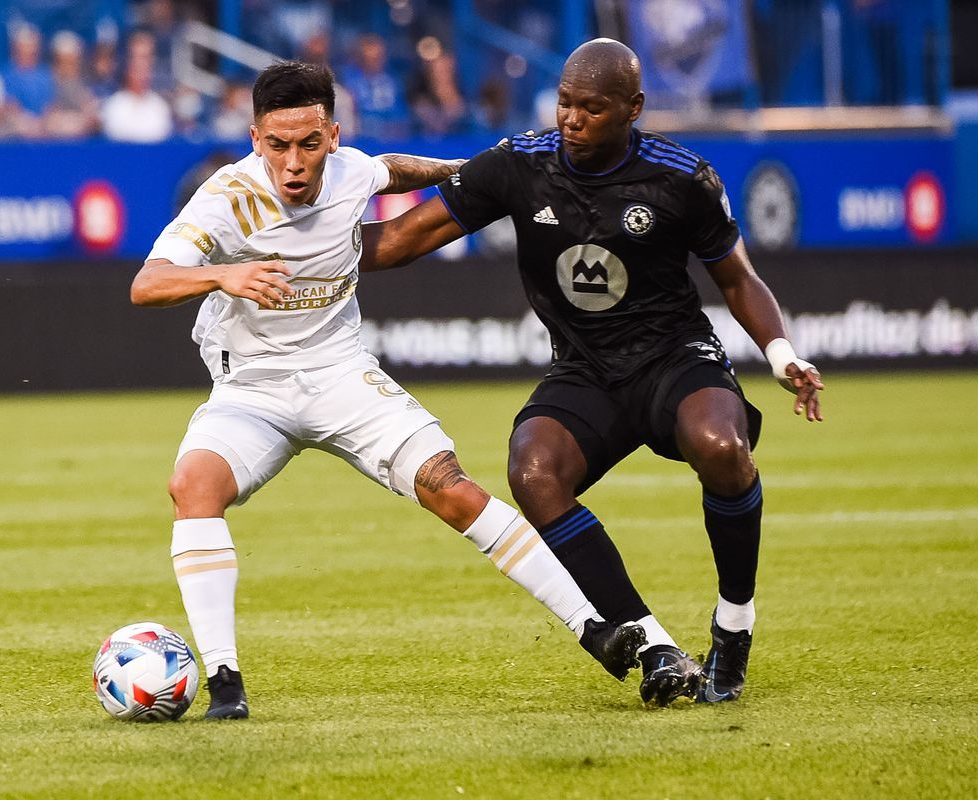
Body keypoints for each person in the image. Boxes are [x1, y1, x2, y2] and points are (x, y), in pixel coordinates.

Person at [130, 61, 645, 720]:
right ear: (256, 139)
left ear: (334, 137)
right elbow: (147, 284)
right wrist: (220, 276)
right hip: (251, 386)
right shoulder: (223, 198)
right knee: (192, 488)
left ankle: (592, 627)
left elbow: (390, 168)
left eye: (309, 144)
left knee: (452, 487)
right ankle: (225, 683)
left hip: (341, 373)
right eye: (278, 145)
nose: (294, 162)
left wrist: (462, 170)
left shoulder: (350, 171)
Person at [359, 39, 824, 706]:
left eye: (592, 108)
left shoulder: (681, 177)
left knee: (725, 450)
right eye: (565, 104)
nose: (572, 120)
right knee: (532, 471)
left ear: (633, 109)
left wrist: (782, 355)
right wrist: (298, 256)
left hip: (674, 356)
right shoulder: (519, 165)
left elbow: (739, 279)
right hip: (586, 370)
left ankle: (734, 625)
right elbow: (402, 240)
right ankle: (657, 645)